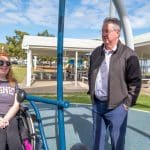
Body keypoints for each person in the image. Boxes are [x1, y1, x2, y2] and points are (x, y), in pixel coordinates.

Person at [88, 17, 141, 150]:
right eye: (102, 31)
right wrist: (92, 95)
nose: (104, 34)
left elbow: (135, 82)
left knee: (117, 143)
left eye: (107, 31)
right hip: (98, 106)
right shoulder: (95, 53)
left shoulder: (129, 54)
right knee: (97, 142)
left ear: (117, 33)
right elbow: (91, 74)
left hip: (118, 108)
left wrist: (127, 104)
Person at [0, 52, 32, 150]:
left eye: (7, 63)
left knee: (12, 133)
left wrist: (5, 119)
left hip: (10, 116)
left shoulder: (13, 83)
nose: (5, 65)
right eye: (1, 62)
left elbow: (16, 104)